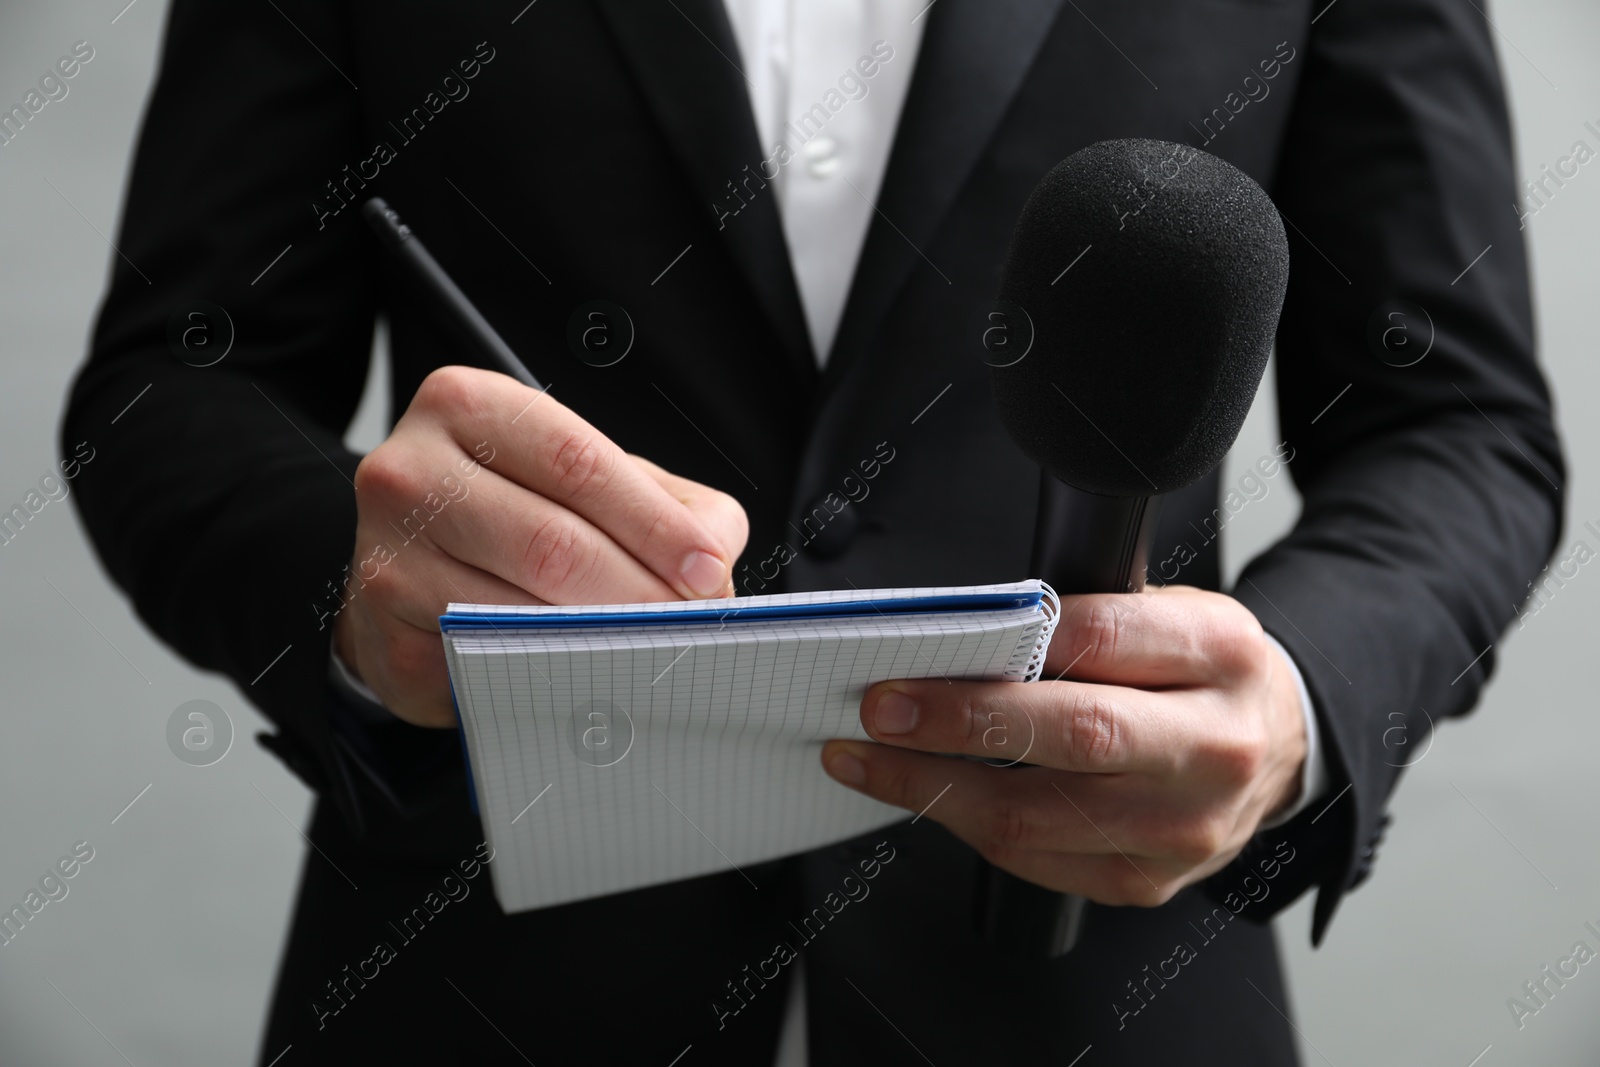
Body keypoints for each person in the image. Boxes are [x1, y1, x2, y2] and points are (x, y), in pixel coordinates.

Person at [63, 1, 1563, 1064]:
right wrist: (349, 581)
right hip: (482, 982)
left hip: (1091, 989)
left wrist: (1297, 695)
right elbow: (173, 379)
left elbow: (1459, 424)